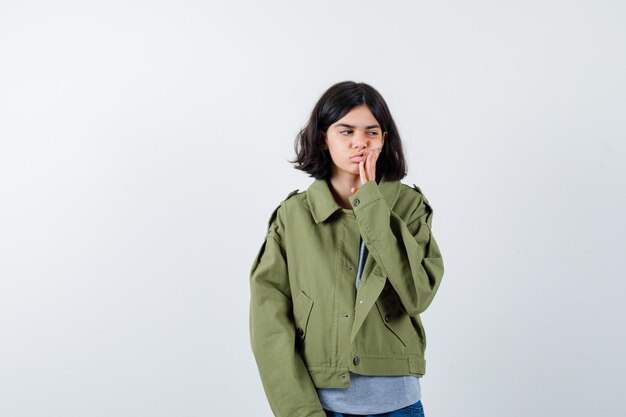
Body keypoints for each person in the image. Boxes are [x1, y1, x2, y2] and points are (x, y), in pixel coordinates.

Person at [249, 81, 444, 417]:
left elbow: (417, 295)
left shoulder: (409, 207)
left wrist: (370, 202)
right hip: (322, 406)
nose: (360, 143)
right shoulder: (293, 217)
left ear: (384, 139)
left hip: (398, 405)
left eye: (372, 132)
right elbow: (269, 325)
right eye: (346, 131)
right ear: (323, 138)